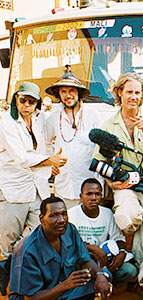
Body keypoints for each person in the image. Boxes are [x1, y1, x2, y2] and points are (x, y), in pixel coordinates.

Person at [0, 82, 67, 295]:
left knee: (33, 237)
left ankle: (16, 273)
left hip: (38, 189)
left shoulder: (39, 121)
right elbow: (22, 158)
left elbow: (47, 145)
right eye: (23, 99)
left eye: (31, 100)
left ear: (37, 103)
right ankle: (7, 278)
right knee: (7, 239)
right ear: (16, 99)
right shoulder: (7, 123)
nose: (27, 104)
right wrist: (50, 161)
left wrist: (51, 167)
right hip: (14, 190)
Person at [93, 73, 143, 266]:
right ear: (120, 94)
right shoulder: (109, 124)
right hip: (124, 185)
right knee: (128, 217)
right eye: (129, 92)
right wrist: (111, 183)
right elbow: (99, 160)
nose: (133, 97)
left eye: (137, 93)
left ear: (142, 96)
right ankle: (130, 256)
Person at [9, 197, 112, 300]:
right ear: (42, 219)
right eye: (53, 216)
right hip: (41, 295)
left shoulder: (70, 230)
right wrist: (65, 285)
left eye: (63, 214)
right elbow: (30, 298)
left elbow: (85, 259)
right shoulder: (27, 250)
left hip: (64, 290)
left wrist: (100, 275)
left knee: (104, 276)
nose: (61, 220)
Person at [45, 65, 102, 208]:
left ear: (79, 93)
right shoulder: (53, 118)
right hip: (63, 185)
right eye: (63, 91)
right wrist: (50, 164)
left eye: (71, 91)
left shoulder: (93, 115)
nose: (67, 95)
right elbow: (45, 145)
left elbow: (101, 149)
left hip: (89, 187)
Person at [68, 178, 137, 286]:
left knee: (130, 270)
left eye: (97, 194)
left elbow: (119, 238)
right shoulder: (71, 215)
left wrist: (122, 252)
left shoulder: (107, 213)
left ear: (102, 196)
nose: (93, 198)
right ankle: (97, 286)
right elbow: (68, 244)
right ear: (81, 196)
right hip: (82, 262)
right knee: (104, 274)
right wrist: (90, 247)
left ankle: (104, 285)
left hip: (104, 259)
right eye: (89, 194)